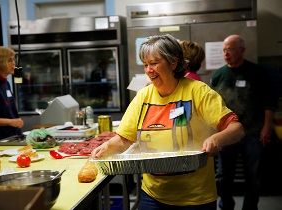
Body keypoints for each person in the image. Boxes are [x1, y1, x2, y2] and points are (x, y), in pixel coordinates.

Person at [92, 34, 245, 210]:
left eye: (154, 63)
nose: (149, 70)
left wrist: (216, 139)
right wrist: (106, 147)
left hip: (194, 198)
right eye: (145, 65)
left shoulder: (198, 91)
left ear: (173, 62)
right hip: (153, 194)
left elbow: (237, 129)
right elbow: (124, 139)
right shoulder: (143, 96)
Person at [211, 35, 278, 210]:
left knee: (253, 176)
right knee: (223, 176)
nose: (226, 54)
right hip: (227, 134)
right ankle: (226, 206)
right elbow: (212, 106)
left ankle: (250, 208)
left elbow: (269, 101)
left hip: (253, 134)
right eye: (224, 50)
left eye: (231, 49)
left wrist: (266, 127)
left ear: (242, 50)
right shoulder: (219, 75)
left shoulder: (257, 73)